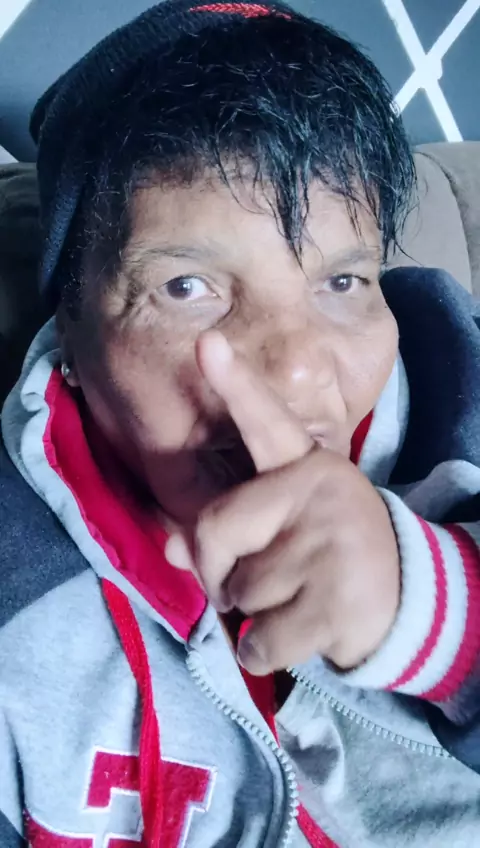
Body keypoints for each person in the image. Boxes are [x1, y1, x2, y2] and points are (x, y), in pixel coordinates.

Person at [2, 0, 480, 845]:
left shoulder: (459, 400)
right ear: (69, 331)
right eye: (187, 288)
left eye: (342, 282)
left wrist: (439, 616)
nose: (296, 369)